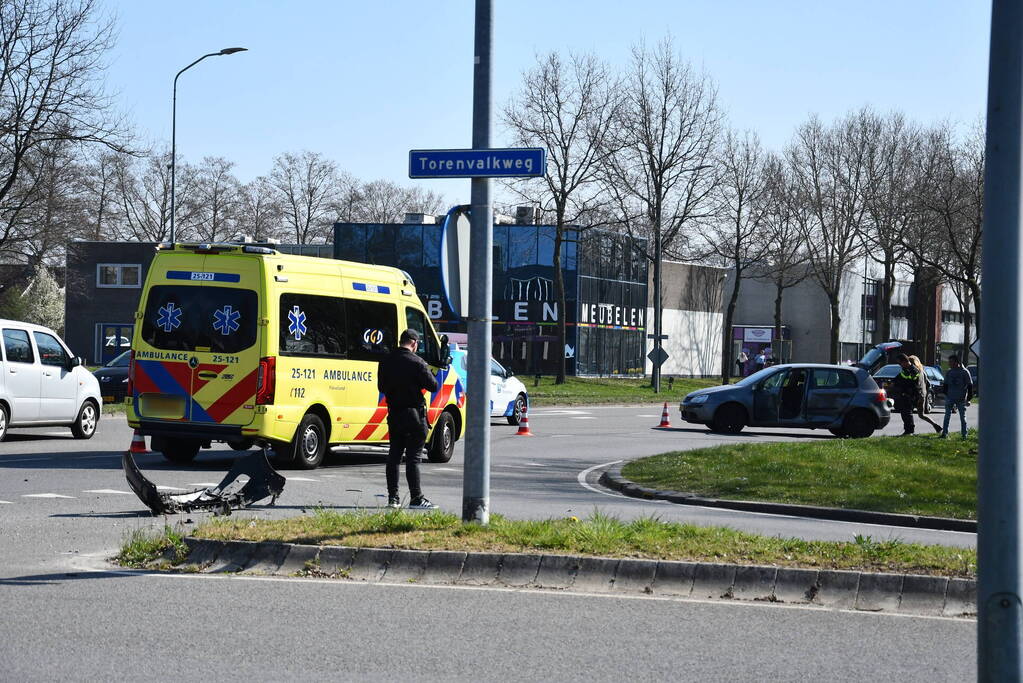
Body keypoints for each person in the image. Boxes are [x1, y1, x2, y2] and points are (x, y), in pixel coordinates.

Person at [377, 329, 439, 509]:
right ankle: (416, 498)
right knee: (413, 458)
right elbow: (433, 386)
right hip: (414, 416)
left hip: (395, 414)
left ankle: (393, 498)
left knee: (394, 457)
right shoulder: (418, 362)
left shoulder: (386, 361)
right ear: (413, 343)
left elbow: (381, 387)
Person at [940, 355, 973, 438]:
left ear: (956, 362)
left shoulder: (964, 372)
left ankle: (964, 435)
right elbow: (945, 384)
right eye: (949, 362)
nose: (949, 364)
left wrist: (968, 398)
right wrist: (946, 394)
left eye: (951, 362)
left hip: (961, 398)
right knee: (947, 416)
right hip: (950, 397)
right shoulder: (949, 372)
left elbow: (970, 385)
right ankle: (944, 433)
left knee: (962, 417)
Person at [908, 355, 942, 434]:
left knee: (908, 411)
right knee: (921, 415)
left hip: (915, 395)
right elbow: (928, 384)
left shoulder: (914, 372)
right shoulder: (922, 371)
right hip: (922, 396)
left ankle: (909, 429)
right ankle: (935, 425)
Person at [891, 353, 922, 435]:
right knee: (904, 413)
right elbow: (900, 378)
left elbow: (912, 382)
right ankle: (907, 430)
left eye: (900, 363)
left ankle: (910, 431)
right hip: (904, 394)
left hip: (910, 395)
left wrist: (906, 392)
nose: (900, 365)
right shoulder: (905, 370)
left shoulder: (914, 370)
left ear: (905, 361)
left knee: (908, 413)